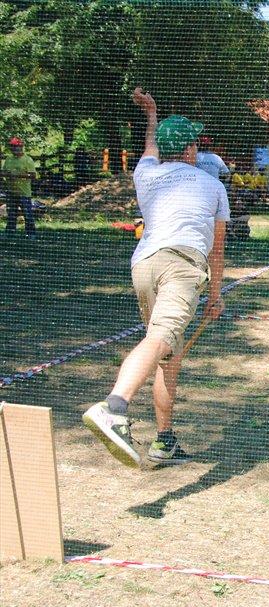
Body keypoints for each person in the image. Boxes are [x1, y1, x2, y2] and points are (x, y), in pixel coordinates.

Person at [82, 88, 229, 468]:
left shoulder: (145, 173)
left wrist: (152, 114)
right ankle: (114, 408)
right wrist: (215, 295)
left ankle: (164, 440)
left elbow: (149, 146)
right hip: (182, 265)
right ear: (191, 149)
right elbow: (216, 250)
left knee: (166, 354)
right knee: (160, 339)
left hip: (144, 264)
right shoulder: (213, 186)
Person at [2, 137, 39, 239]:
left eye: (15, 146)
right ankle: (9, 233)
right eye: (12, 146)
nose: (13, 148)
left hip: (24, 193)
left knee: (27, 214)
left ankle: (31, 234)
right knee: (11, 214)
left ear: (21, 147)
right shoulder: (8, 159)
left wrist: (18, 175)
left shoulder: (27, 160)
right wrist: (7, 174)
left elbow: (33, 175)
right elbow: (3, 172)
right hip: (11, 192)